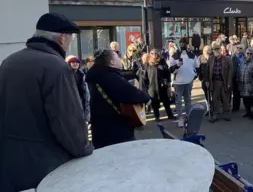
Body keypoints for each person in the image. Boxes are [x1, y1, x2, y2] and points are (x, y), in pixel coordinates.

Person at [0, 13, 93, 192]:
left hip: (8, 163)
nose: (69, 44)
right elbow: (67, 121)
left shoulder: (9, 61)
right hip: (44, 167)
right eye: (70, 39)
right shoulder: (56, 67)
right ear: (62, 38)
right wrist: (84, 147)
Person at [86, 49, 150, 149]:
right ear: (112, 62)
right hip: (116, 131)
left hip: (101, 129)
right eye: (117, 57)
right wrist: (146, 97)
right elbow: (131, 93)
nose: (120, 59)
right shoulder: (109, 77)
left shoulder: (97, 74)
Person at [169, 40, 199, 128]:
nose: (182, 45)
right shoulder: (175, 55)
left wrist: (194, 76)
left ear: (187, 45)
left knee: (188, 100)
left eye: (184, 44)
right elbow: (170, 69)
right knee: (178, 101)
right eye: (181, 44)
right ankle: (180, 118)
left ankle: (188, 117)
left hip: (188, 81)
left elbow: (197, 66)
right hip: (178, 82)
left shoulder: (192, 55)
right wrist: (177, 66)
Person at [206, 42, 233, 122]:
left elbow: (231, 71)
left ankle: (226, 113)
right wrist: (207, 80)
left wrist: (229, 82)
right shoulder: (211, 59)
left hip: (223, 81)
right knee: (215, 99)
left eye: (217, 49)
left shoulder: (227, 59)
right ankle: (216, 114)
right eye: (214, 49)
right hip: (214, 82)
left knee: (225, 98)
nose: (216, 51)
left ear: (220, 50)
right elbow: (207, 70)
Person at [146, 49, 175, 121]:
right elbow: (145, 76)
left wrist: (168, 82)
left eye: (155, 53)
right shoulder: (147, 63)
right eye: (152, 53)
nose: (154, 55)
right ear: (150, 54)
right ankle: (157, 116)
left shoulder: (162, 61)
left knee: (166, 101)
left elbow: (167, 72)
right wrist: (146, 86)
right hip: (152, 86)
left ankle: (170, 115)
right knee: (154, 102)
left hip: (162, 85)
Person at [238, 47, 253, 119]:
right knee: (245, 100)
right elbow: (239, 71)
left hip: (251, 84)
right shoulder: (242, 62)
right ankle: (248, 112)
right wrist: (238, 79)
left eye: (251, 54)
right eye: (248, 53)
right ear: (245, 54)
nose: (249, 55)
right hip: (243, 84)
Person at [66, 55, 90, 123]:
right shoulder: (65, 74)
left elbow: (86, 91)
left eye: (77, 62)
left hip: (80, 99)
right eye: (73, 62)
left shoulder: (82, 74)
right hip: (70, 100)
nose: (75, 63)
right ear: (69, 63)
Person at [231, 44, 246, 112]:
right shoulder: (233, 57)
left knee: (245, 92)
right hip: (235, 77)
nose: (239, 49)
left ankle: (247, 107)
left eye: (240, 48)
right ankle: (235, 107)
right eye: (237, 48)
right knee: (235, 92)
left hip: (244, 77)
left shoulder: (245, 56)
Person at [199, 45, 212, 114]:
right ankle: (208, 109)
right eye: (205, 50)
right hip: (204, 79)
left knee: (212, 95)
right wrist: (200, 77)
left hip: (212, 79)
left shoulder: (212, 57)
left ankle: (213, 108)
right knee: (207, 95)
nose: (206, 52)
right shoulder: (201, 58)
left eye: (208, 50)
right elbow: (198, 68)